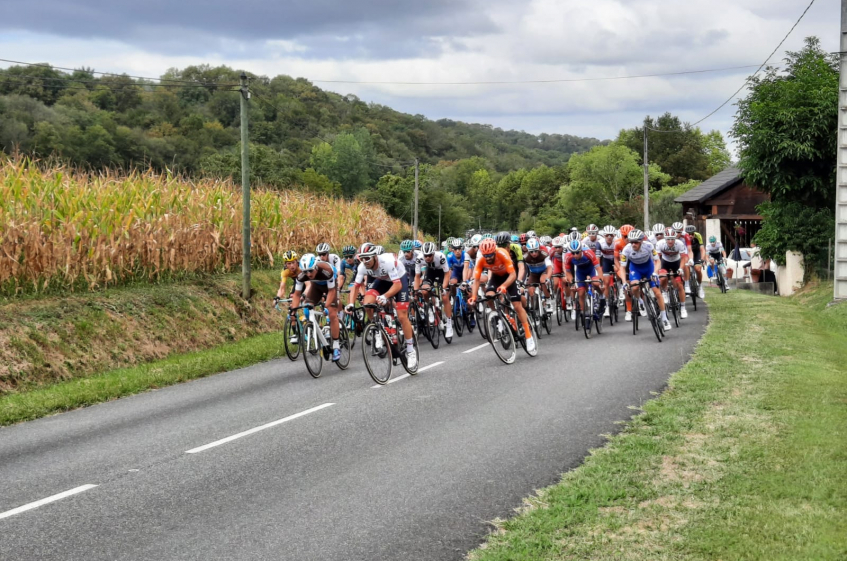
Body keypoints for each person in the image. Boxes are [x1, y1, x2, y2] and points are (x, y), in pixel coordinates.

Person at [346, 243, 417, 368]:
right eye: (362, 258)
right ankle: (376, 328)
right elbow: (356, 286)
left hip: (399, 281)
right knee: (367, 304)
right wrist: (351, 303)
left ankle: (411, 351)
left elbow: (397, 285)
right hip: (382, 280)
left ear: (375, 256)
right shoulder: (363, 267)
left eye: (367, 258)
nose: (365, 261)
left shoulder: (387, 262)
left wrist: (385, 296)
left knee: (402, 316)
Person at [468, 238, 535, 352]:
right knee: (488, 296)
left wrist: (504, 286)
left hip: (509, 277)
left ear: (495, 251)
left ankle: (528, 336)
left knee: (517, 305)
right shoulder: (480, 260)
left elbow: (513, 275)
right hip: (496, 277)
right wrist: (473, 296)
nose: (488, 257)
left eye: (490, 255)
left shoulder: (502, 253)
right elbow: (476, 280)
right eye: (486, 255)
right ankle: (500, 315)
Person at [291, 253, 343, 362]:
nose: (308, 274)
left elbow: (332, 291)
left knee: (332, 313)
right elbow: (296, 295)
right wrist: (293, 311)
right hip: (316, 287)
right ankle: (318, 334)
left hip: (331, 286)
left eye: (310, 271)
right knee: (307, 308)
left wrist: (327, 306)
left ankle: (337, 346)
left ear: (315, 267)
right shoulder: (302, 276)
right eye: (305, 272)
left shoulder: (326, 271)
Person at [619, 230, 671, 331]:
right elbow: (622, 268)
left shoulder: (649, 246)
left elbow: (657, 261)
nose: (633, 244)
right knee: (634, 287)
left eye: (636, 242)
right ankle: (641, 302)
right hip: (635, 269)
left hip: (649, 267)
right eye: (631, 242)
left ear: (641, 241)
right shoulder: (626, 250)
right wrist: (624, 282)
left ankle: (664, 318)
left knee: (657, 292)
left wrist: (655, 272)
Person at [417, 241, 454, 339]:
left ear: (433, 253)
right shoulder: (419, 259)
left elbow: (447, 274)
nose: (427, 258)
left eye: (429, 255)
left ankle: (449, 323)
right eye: (425, 256)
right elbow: (417, 276)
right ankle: (430, 309)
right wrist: (416, 290)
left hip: (442, 273)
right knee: (424, 290)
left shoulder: (441, 256)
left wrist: (444, 288)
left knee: (445, 297)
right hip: (430, 272)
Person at [564, 239, 604, 321]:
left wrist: (600, 279)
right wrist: (572, 282)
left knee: (596, 284)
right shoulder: (568, 257)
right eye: (573, 253)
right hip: (580, 272)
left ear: (581, 250)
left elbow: (598, 268)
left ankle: (601, 296)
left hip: (591, 269)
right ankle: (584, 312)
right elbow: (568, 272)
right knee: (581, 293)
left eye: (577, 252)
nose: (575, 255)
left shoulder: (588, 253)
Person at [655, 227, 688, 319]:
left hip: (676, 262)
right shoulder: (659, 244)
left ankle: (683, 308)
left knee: (680, 285)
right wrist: (656, 271)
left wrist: (681, 268)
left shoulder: (680, 244)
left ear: (675, 238)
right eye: (668, 239)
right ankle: (665, 292)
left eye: (672, 239)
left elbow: (683, 258)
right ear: (665, 239)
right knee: (662, 277)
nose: (670, 241)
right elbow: (657, 259)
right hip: (664, 262)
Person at [524, 237, 554, 314]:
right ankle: (535, 309)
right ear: (528, 251)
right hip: (533, 274)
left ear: (538, 249)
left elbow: (549, 267)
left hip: (544, 271)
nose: (534, 253)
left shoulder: (544, 254)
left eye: (536, 251)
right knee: (530, 290)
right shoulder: (525, 257)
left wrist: (548, 277)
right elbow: (524, 270)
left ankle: (548, 301)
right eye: (531, 251)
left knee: (542, 281)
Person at [684, 225, 706, 299]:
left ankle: (700, 286)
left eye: (692, 234)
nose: (690, 236)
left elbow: (702, 249)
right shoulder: (683, 237)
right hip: (687, 253)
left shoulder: (698, 236)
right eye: (688, 234)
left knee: (698, 269)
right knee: (686, 269)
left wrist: (702, 259)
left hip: (696, 253)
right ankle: (687, 286)